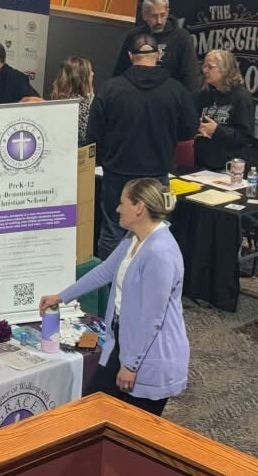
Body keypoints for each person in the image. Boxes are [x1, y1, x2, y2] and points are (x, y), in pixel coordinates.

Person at [39, 178, 188, 416]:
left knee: (129, 427)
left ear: (139, 208)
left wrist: (130, 365)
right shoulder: (133, 239)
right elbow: (105, 271)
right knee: (93, 410)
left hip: (148, 357)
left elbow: (151, 318)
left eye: (122, 203)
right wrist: (61, 296)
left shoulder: (160, 254)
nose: (117, 209)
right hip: (122, 342)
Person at [89, 33, 196, 259]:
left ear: (130, 56)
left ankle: (110, 280)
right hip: (157, 175)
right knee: (155, 232)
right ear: (158, 55)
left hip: (117, 173)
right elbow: (188, 132)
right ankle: (150, 276)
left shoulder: (110, 89)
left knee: (113, 230)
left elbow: (94, 134)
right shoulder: (176, 91)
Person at [113, 0, 202, 95]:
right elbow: (120, 71)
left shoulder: (181, 37)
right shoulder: (134, 36)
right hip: (137, 94)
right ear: (144, 15)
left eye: (162, 15)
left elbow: (191, 77)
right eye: (154, 16)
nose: (159, 21)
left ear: (167, 12)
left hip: (169, 96)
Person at [194, 49, 254, 171]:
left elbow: (245, 137)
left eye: (210, 67)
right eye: (204, 66)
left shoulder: (241, 97)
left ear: (225, 69)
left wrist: (217, 130)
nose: (205, 70)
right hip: (202, 163)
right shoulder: (204, 95)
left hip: (227, 166)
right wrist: (196, 127)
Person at [50, 56, 95, 147]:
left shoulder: (59, 102)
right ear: (82, 77)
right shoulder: (82, 104)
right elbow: (85, 138)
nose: (93, 74)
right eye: (89, 71)